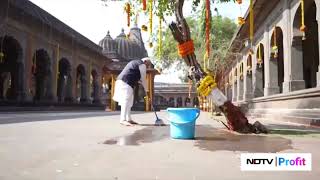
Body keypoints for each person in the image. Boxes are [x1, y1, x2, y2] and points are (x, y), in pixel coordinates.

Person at [112, 57, 152, 126]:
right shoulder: (142, 64)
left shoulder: (135, 62)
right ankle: (123, 119)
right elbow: (143, 79)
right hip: (125, 81)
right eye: (148, 65)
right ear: (145, 61)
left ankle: (128, 119)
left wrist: (138, 81)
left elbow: (137, 77)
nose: (147, 67)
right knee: (126, 100)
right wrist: (147, 91)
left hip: (125, 82)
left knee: (129, 101)